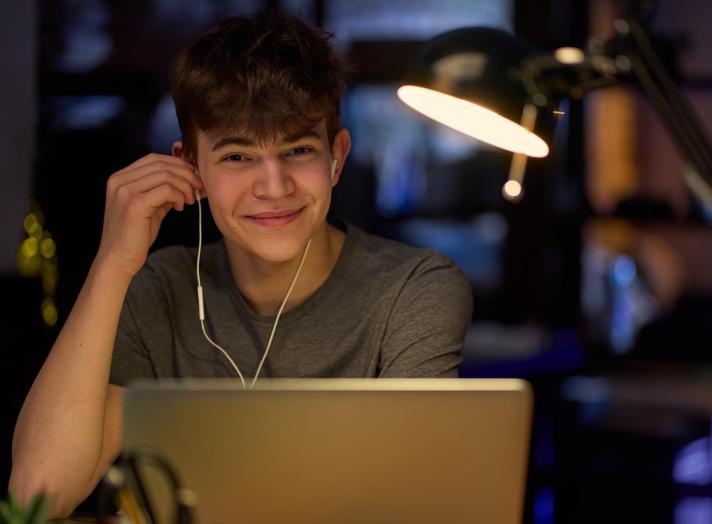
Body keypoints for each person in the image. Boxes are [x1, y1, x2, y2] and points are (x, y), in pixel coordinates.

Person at [9, 9, 472, 517]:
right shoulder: (157, 291)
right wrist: (112, 265)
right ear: (189, 167)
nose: (274, 188)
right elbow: (39, 497)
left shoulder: (415, 289)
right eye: (238, 156)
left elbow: (414, 501)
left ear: (336, 156)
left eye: (298, 149)